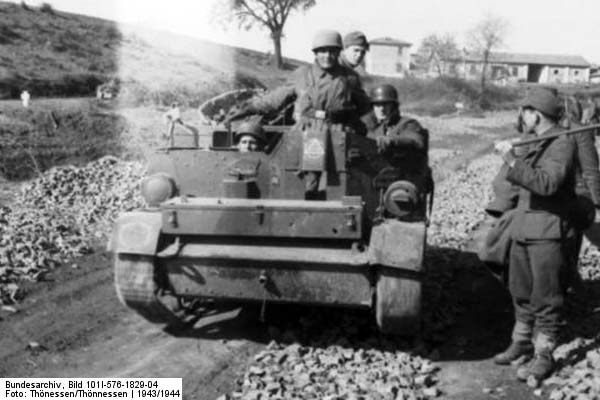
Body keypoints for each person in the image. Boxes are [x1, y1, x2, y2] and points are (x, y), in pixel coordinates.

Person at [492, 88, 579, 383]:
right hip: (523, 228)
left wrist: (513, 162)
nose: (521, 118)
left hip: (548, 233)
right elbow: (514, 185)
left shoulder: (562, 144)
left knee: (547, 298)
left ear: (535, 114)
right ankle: (521, 342)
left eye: (524, 112)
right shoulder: (534, 140)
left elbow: (547, 184)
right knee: (521, 291)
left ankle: (544, 354)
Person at [227, 29, 371, 134]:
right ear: (315, 53)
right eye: (322, 51)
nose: (327, 56)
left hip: (338, 132)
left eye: (332, 51)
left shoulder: (350, 78)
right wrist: (246, 110)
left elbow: (365, 107)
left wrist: (367, 129)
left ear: (338, 52)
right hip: (304, 131)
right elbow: (274, 100)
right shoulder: (302, 74)